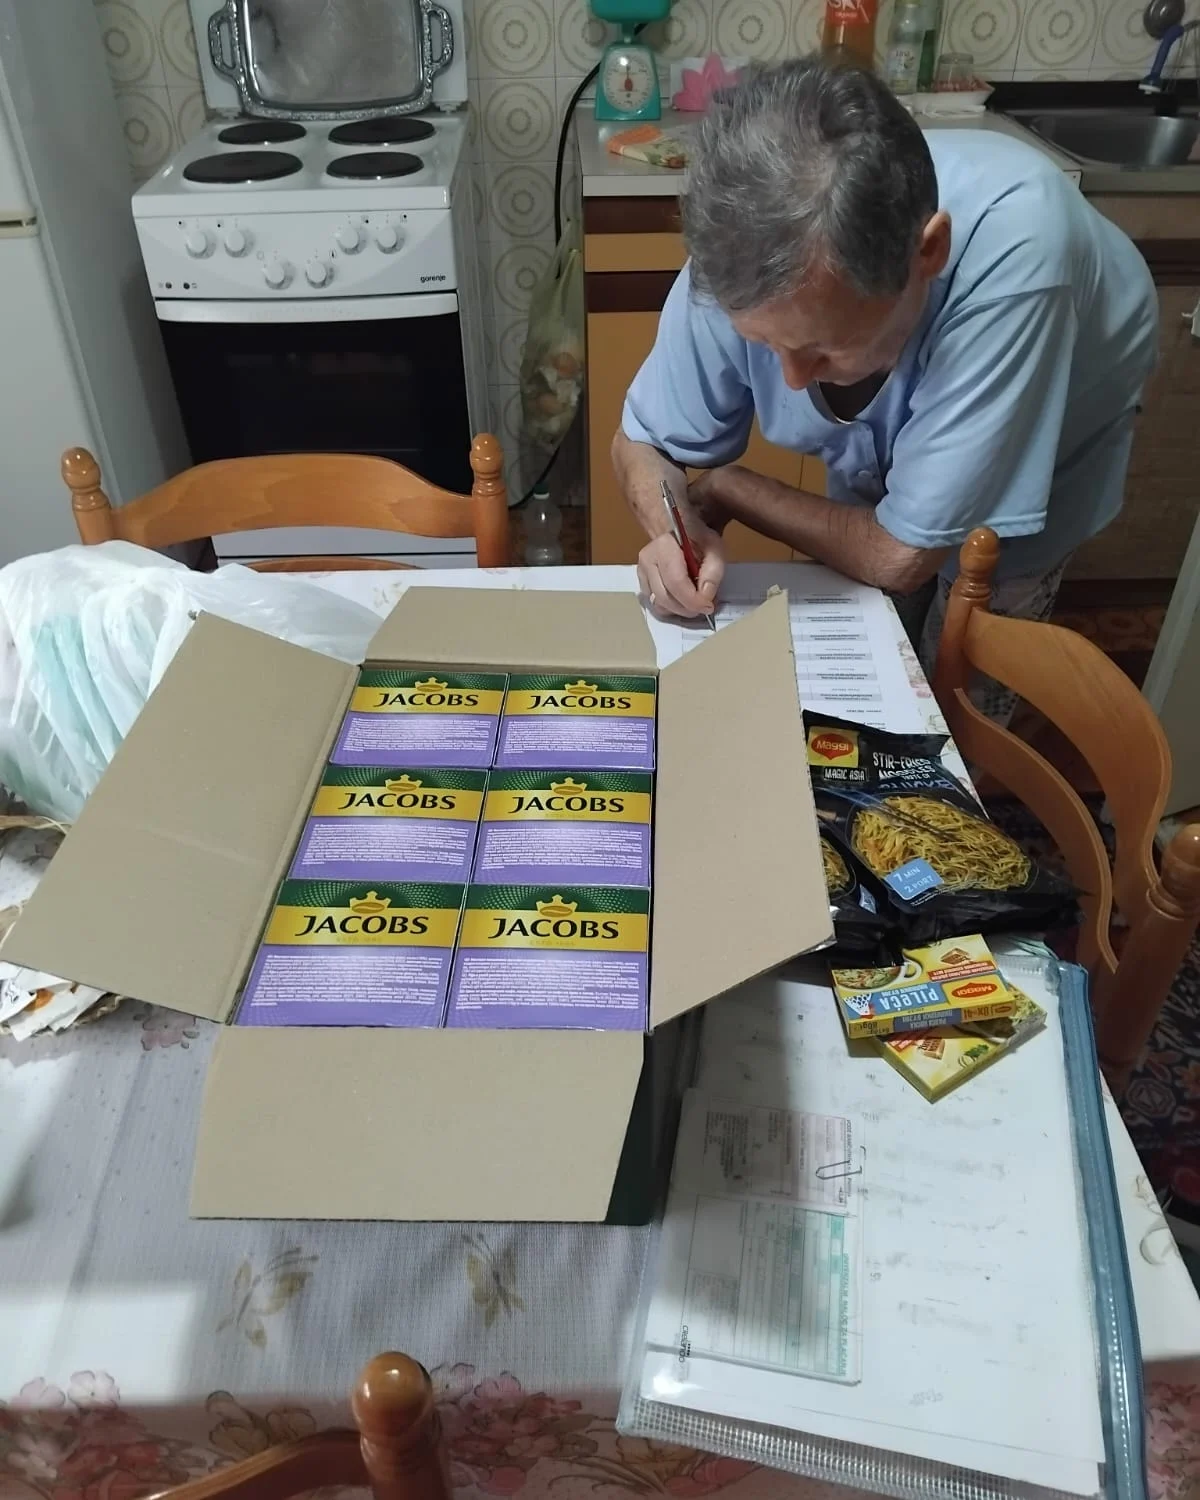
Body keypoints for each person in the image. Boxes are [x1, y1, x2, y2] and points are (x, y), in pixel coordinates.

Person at [613, 57, 1159, 718]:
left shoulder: (1019, 257)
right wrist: (670, 526)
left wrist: (732, 487)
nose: (790, 380)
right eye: (763, 343)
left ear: (928, 253)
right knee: (875, 651)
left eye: (823, 347)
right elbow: (641, 444)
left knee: (967, 682)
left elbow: (900, 556)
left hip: (1054, 397)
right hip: (899, 450)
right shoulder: (739, 247)